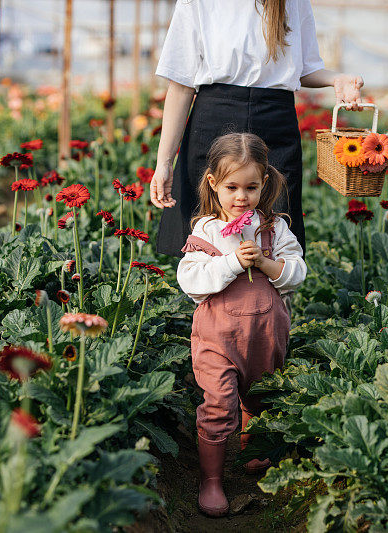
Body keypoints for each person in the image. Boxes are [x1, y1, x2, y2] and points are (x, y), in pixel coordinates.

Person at [150, 0, 364, 258]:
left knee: (277, 238)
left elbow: (305, 67)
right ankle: (208, 300)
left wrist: (335, 79)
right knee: (208, 236)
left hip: (275, 124)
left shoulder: (294, 2)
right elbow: (181, 84)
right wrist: (163, 162)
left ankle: (275, 299)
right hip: (214, 122)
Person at [176, 133, 307, 517]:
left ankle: (254, 444)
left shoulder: (275, 229)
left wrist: (267, 264)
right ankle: (212, 479)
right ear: (213, 184)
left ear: (264, 183)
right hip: (218, 337)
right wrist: (232, 262)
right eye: (231, 187)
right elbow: (192, 282)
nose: (241, 197)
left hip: (266, 336)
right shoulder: (206, 231)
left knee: (261, 394)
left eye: (251, 187)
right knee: (219, 403)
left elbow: (297, 274)